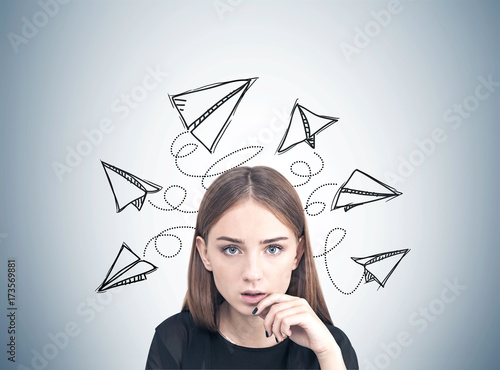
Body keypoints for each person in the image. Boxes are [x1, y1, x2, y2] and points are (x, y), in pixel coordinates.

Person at [146, 166, 358, 369]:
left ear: (298, 253)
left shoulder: (331, 347)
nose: (252, 274)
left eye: (273, 249)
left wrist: (327, 354)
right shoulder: (174, 340)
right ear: (205, 253)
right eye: (231, 249)